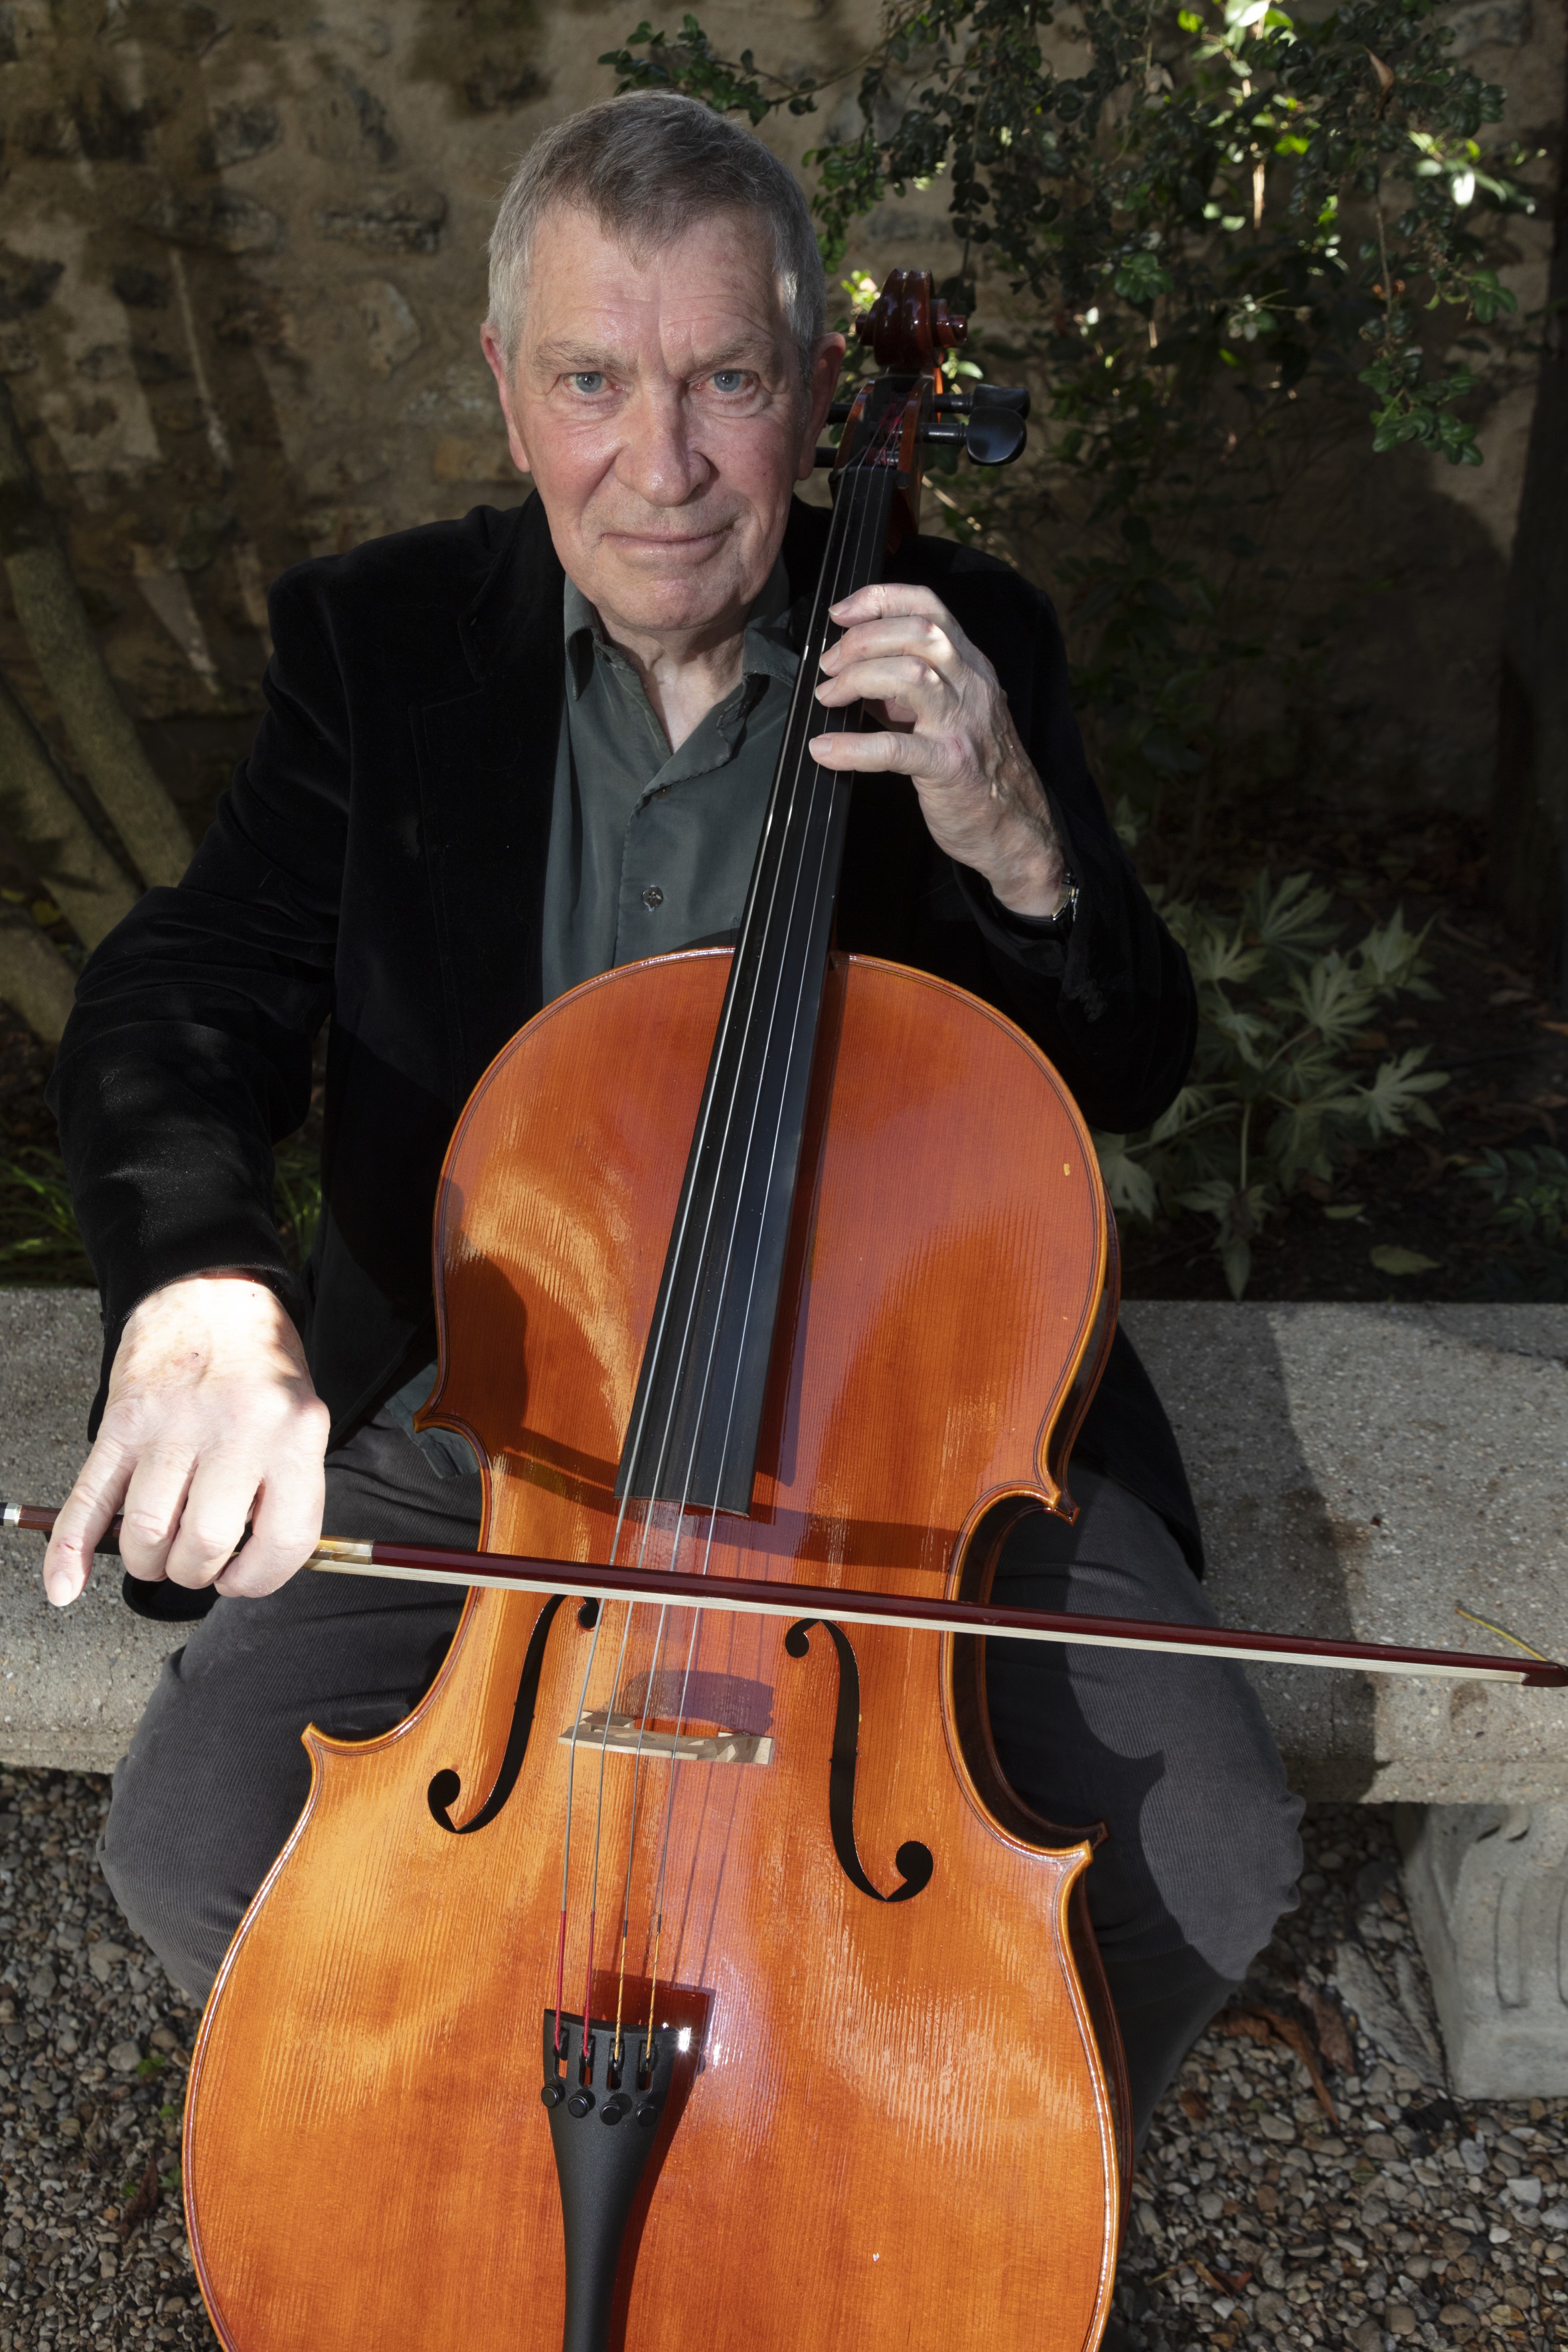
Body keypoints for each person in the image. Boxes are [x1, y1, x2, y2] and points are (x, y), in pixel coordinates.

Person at [43, 90, 1300, 2187]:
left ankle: (905, 2213)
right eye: (595, 381)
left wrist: (1014, 841)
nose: (662, 464)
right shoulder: (375, 646)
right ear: (506, 388)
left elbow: (1134, 1061)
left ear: (814, 388)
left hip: (902, 1410)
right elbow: (192, 987)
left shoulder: (961, 635)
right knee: (199, 1845)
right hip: (501, 1420)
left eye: (725, 379)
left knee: (1205, 1864)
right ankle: (476, 2211)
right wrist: (197, 1290)